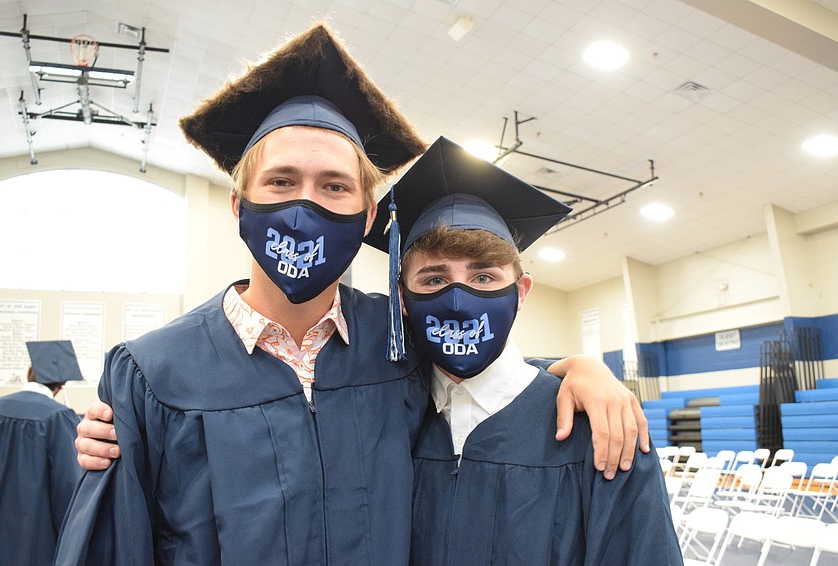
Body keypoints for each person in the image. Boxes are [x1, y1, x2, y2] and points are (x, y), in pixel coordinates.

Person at [56, 23, 648, 565]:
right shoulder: (153, 375)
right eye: (282, 181)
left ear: (366, 218)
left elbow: (478, 373)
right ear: (240, 206)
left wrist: (579, 368)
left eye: (334, 186)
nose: (305, 205)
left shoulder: (394, 341)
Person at [366, 137, 682, 565]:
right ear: (402, 299)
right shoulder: (391, 422)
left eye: (483, 278)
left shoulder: (600, 428)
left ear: (520, 292)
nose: (458, 299)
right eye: (434, 280)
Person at [0, 340, 84, 565]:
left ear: (28, 372)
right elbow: (68, 488)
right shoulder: (58, 418)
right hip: (31, 541)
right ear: (61, 385)